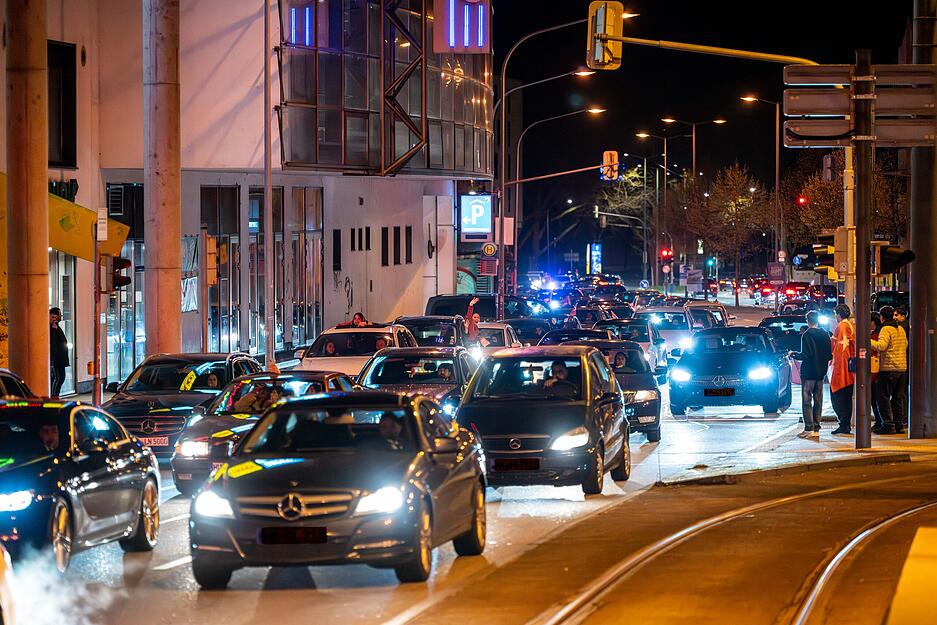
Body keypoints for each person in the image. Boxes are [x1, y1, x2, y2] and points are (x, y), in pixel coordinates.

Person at [790, 311, 833, 438]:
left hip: (809, 372)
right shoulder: (825, 334)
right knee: (818, 400)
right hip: (821, 372)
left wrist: (793, 354)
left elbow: (806, 354)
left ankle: (809, 427)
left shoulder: (807, 335)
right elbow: (828, 354)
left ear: (807, 320)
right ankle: (816, 428)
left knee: (807, 400)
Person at [871, 306, 908, 435]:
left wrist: (867, 340)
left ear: (882, 317)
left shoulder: (886, 329)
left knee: (883, 397)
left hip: (888, 368)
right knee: (898, 398)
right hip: (902, 368)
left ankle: (888, 425)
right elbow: (906, 345)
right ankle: (899, 425)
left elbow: (881, 346)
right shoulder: (901, 329)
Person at [829, 304, 856, 435]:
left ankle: (844, 424)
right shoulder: (850, 325)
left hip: (842, 368)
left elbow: (840, 348)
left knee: (839, 398)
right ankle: (845, 424)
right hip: (848, 367)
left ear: (838, 315)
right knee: (845, 398)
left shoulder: (842, 326)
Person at [49, 307, 69, 397]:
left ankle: (55, 395)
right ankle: (54, 396)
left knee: (60, 377)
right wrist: (53, 329)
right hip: (56, 358)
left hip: (60, 358)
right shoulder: (52, 327)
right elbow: (52, 342)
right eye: (58, 315)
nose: (59, 317)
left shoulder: (56, 327)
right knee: (59, 377)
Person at [870, 312, 883, 430]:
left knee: (875, 399)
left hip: (875, 371)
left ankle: (880, 421)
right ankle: (880, 421)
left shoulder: (875, 336)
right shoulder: (880, 332)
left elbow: (873, 351)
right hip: (879, 370)